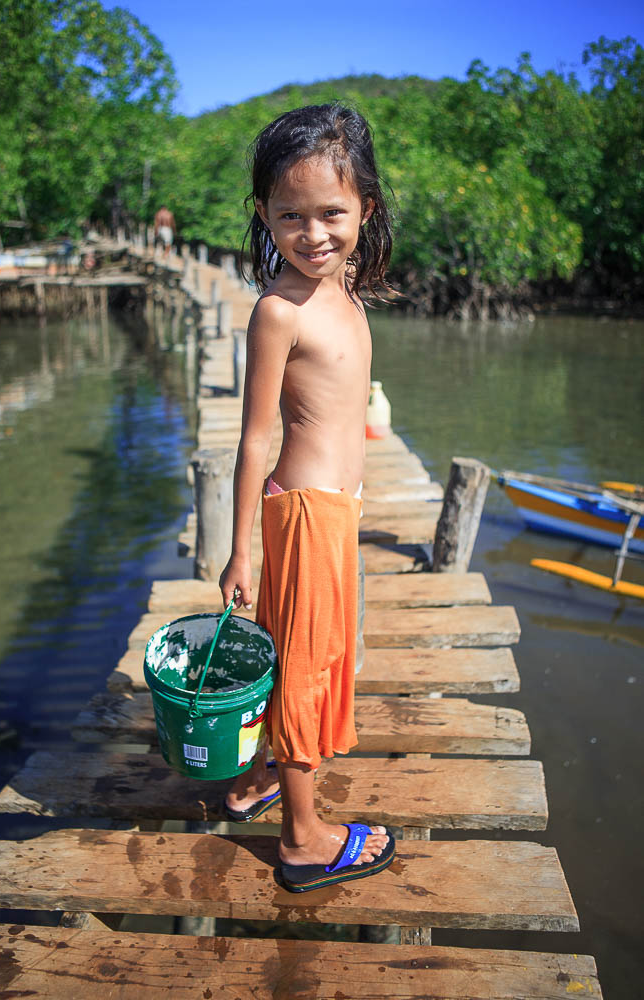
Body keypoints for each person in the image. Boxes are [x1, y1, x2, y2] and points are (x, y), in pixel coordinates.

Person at [219, 104, 396, 893]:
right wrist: (238, 549)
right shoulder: (277, 310)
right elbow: (255, 439)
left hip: (336, 513)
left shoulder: (345, 286)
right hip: (300, 515)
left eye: (332, 212)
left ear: (365, 208)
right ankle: (301, 838)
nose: (313, 233)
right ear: (263, 215)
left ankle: (259, 779)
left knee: (313, 655)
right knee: (303, 670)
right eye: (290, 216)